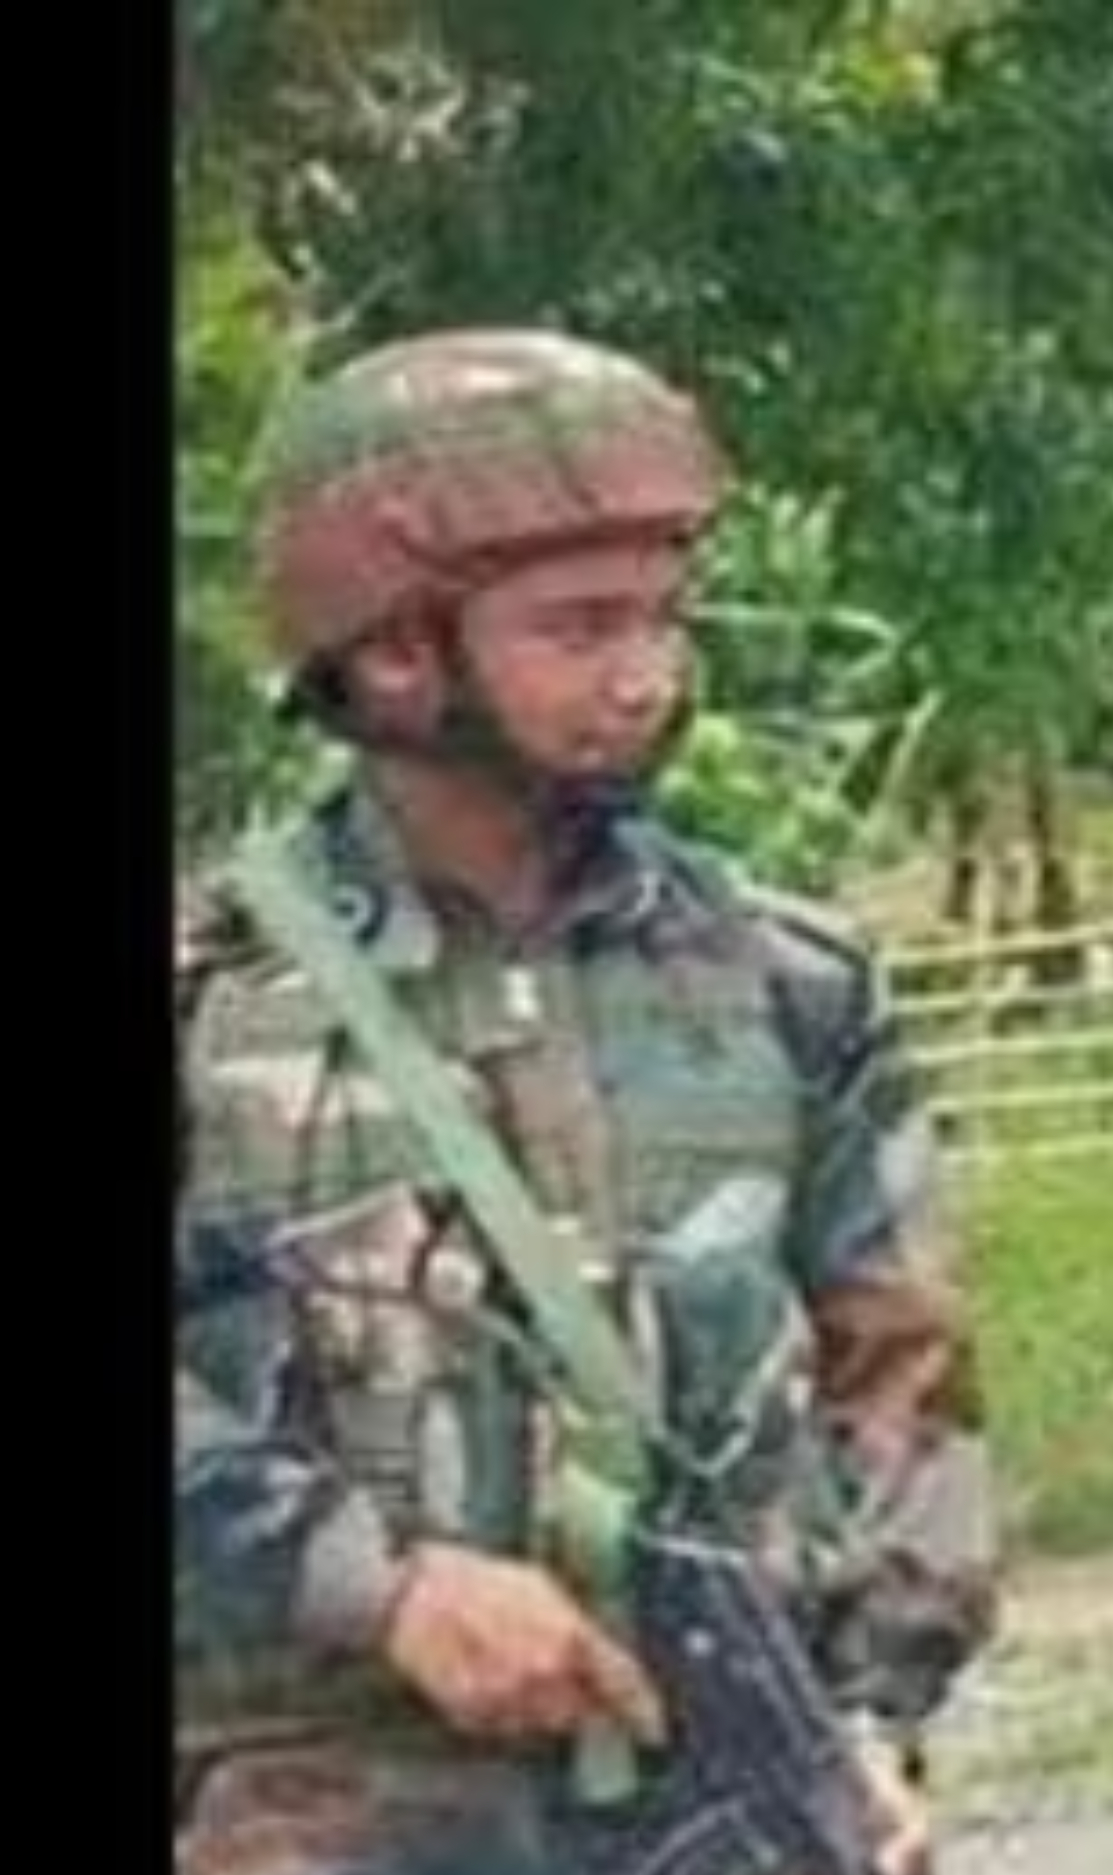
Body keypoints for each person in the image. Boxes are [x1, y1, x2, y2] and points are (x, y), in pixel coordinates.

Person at [173, 328, 998, 1875]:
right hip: (325, 1809)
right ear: (394, 653)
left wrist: (872, 1713)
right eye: (579, 626)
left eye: (664, 617)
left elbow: (901, 1370)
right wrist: (380, 1588)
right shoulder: (206, 997)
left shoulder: (788, 979)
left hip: (731, 1798)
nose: (646, 675)